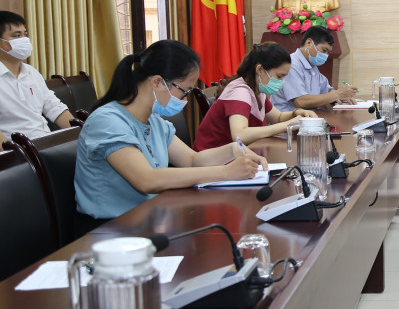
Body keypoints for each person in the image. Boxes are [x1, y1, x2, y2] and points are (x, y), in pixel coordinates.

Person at [76, 40, 267, 221]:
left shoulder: (153, 121)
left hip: (151, 216)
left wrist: (233, 149)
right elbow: (147, 180)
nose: (185, 99)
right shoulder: (107, 121)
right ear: (157, 82)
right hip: (111, 227)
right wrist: (225, 172)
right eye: (184, 91)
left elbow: (191, 161)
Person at [193, 42, 318, 151]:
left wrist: (297, 113)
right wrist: (287, 126)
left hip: (238, 156)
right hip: (214, 161)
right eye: (279, 76)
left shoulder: (257, 90)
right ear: (259, 69)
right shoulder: (239, 92)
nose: (282, 81)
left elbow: (278, 117)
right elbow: (240, 135)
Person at [0, 11, 73, 142]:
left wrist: (82, 135)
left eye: (25, 35)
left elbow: (54, 107)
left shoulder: (31, 72)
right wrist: (12, 152)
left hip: (46, 142)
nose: (24, 40)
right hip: (17, 149)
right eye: (17, 36)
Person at [270, 26, 358, 111]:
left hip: (308, 117)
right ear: (309, 43)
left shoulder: (312, 65)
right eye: (324, 50)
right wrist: (337, 94)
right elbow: (301, 102)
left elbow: (327, 91)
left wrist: (342, 95)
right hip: (288, 119)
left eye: (328, 53)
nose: (326, 56)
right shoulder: (291, 64)